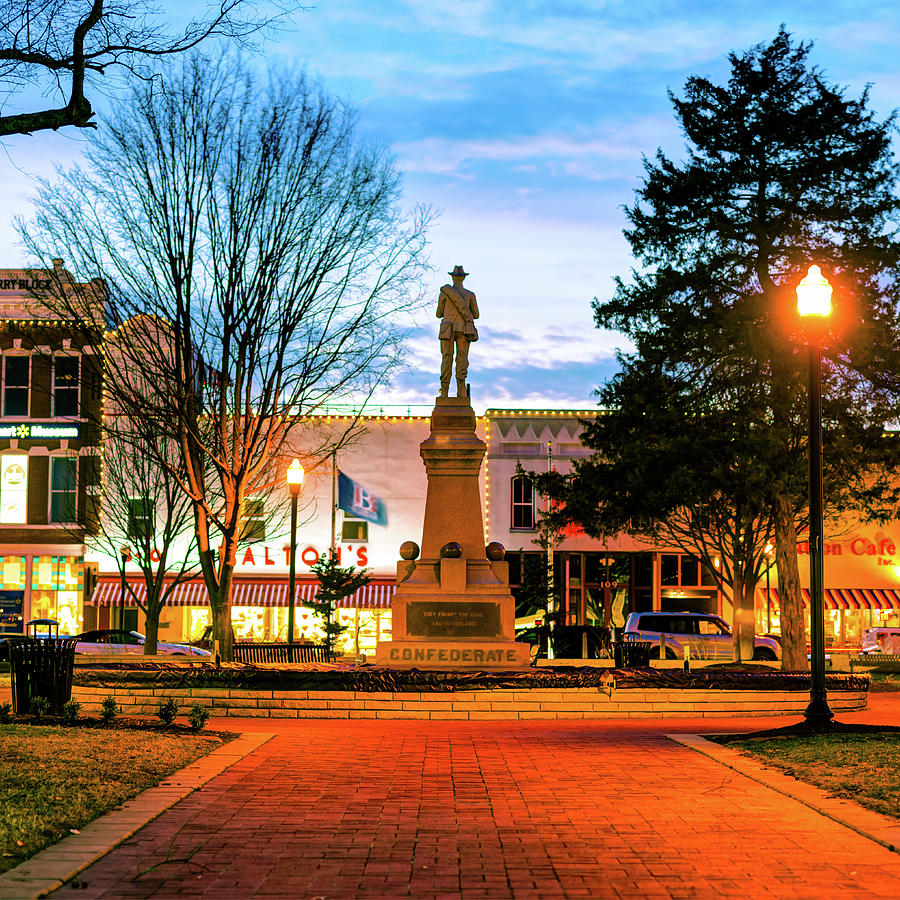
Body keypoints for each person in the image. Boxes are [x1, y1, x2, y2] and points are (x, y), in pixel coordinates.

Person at [437, 265, 479, 397]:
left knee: (446, 358)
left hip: (447, 329)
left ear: (452, 277)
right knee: (462, 358)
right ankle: (461, 391)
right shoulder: (470, 295)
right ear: (463, 279)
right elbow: (476, 315)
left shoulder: (445, 292)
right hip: (463, 330)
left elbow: (439, 314)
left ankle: (444, 392)